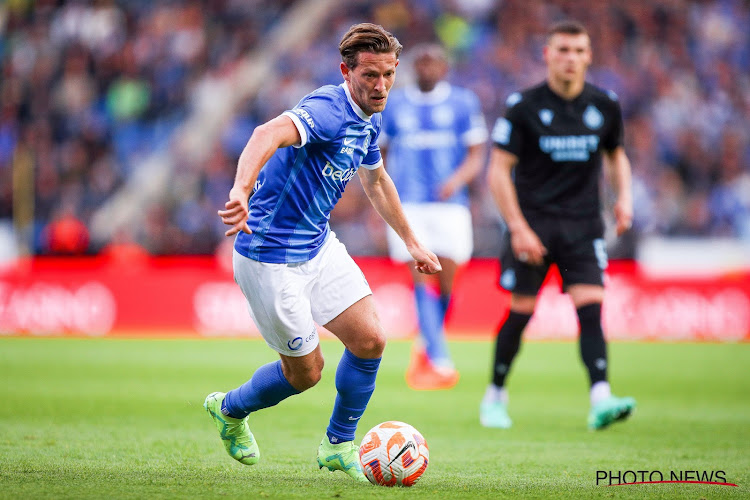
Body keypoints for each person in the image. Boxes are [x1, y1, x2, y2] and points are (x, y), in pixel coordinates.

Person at [203, 23, 441, 483]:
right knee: (306, 374)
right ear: (346, 71)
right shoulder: (327, 110)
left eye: (389, 74)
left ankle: (337, 445)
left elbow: (376, 180)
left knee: (371, 340)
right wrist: (240, 189)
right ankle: (229, 409)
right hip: (269, 257)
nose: (381, 85)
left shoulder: (369, 117)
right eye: (371, 75)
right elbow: (265, 134)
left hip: (317, 246)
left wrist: (412, 240)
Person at [480, 20, 636, 430]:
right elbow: (498, 171)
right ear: (547, 55)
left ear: (589, 56)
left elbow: (616, 154)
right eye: (562, 50)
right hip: (532, 225)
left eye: (578, 50)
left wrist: (625, 199)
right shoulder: (523, 106)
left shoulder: (605, 104)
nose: (570, 58)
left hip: (583, 227)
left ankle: (601, 397)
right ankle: (495, 395)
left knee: (591, 308)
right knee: (521, 312)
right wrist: (517, 227)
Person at [379, 43, 487, 390]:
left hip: (450, 204)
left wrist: (455, 180)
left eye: (433, 62)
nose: (427, 67)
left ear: (444, 68)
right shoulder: (395, 104)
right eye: (421, 62)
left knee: (447, 281)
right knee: (422, 277)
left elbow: (475, 155)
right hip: (409, 205)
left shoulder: (462, 102)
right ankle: (440, 360)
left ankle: (424, 345)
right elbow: (378, 152)